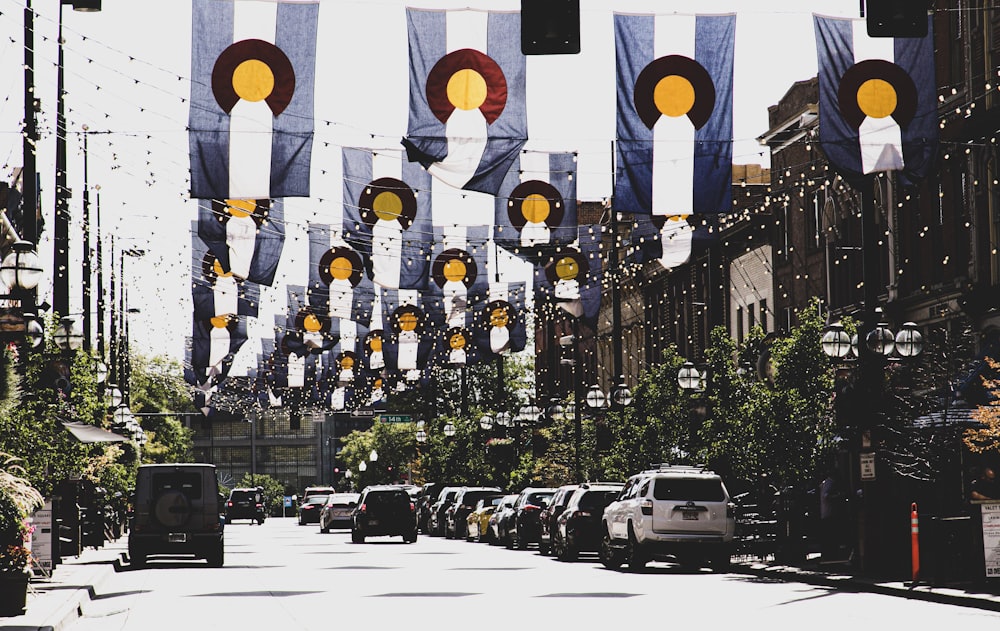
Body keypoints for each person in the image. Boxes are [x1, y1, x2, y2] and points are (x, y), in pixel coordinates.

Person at [819, 469, 846, 562]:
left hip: (825, 513)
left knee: (828, 536)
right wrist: (838, 496)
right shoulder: (830, 482)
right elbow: (826, 496)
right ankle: (831, 555)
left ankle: (828, 555)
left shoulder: (825, 482)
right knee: (831, 536)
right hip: (829, 513)